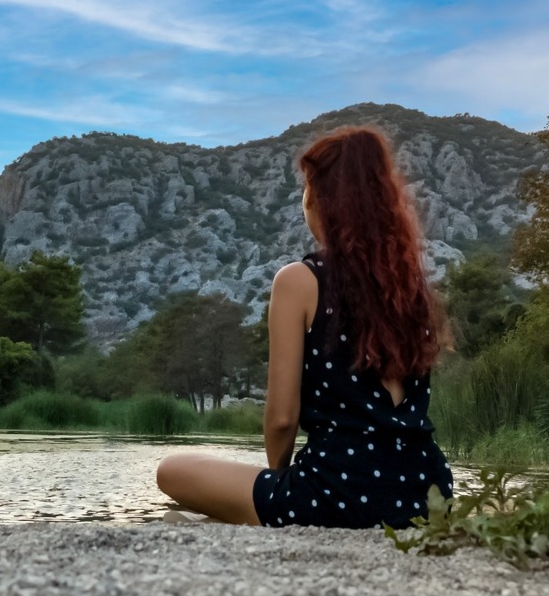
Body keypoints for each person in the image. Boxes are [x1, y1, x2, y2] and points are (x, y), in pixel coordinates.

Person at [156, 125, 454, 528]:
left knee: (171, 471)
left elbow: (282, 418)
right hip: (427, 492)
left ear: (321, 199)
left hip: (340, 493)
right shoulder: (410, 290)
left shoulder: (299, 280)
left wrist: (277, 485)